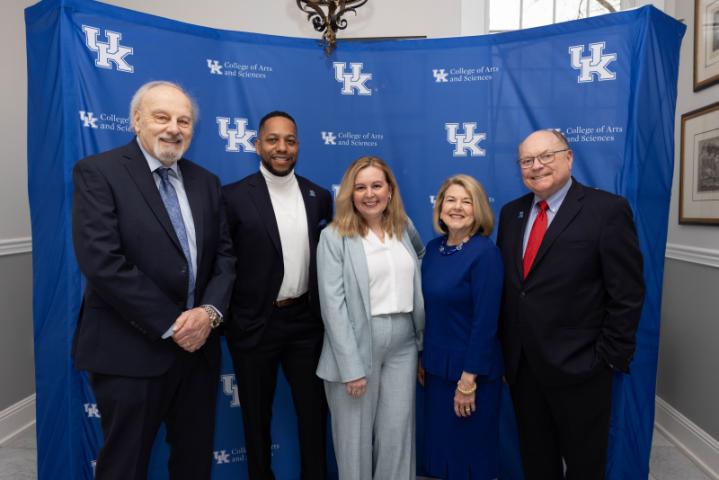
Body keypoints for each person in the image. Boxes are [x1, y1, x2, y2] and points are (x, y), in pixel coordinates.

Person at [71, 81, 236, 480]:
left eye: (184, 121)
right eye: (162, 117)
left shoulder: (206, 181)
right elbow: (102, 262)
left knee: (194, 463)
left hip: (198, 352)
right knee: (124, 466)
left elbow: (225, 258)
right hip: (128, 349)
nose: (173, 128)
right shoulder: (99, 172)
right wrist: (175, 324)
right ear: (137, 121)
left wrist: (208, 314)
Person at [496, 129, 645, 479]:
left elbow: (627, 293)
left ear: (568, 157)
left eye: (546, 156)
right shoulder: (510, 213)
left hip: (582, 367)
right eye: (527, 160)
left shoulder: (607, 210)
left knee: (585, 464)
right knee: (536, 458)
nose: (537, 166)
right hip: (523, 367)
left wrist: (607, 358)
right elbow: (516, 289)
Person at [223, 111, 332, 480]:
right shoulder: (233, 197)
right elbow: (223, 265)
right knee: (256, 419)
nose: (281, 148)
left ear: (298, 145)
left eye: (289, 140)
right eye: (273, 140)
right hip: (256, 325)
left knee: (314, 415)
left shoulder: (320, 196)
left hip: (306, 323)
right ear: (258, 145)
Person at [316, 156, 425, 480]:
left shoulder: (403, 227)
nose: (369, 194)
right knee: (354, 443)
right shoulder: (334, 237)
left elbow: (420, 256)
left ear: (390, 191)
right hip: (355, 345)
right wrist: (351, 368)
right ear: (349, 194)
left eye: (377, 185)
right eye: (360, 187)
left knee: (398, 437)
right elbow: (332, 306)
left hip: (404, 343)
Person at [419, 174, 504, 480]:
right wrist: (423, 359)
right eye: (450, 200)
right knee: (442, 457)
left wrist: (468, 381)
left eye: (466, 201)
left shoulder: (485, 254)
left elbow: (486, 323)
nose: (457, 207)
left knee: (469, 459)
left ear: (478, 210)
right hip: (436, 372)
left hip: (470, 377)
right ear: (440, 207)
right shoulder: (433, 249)